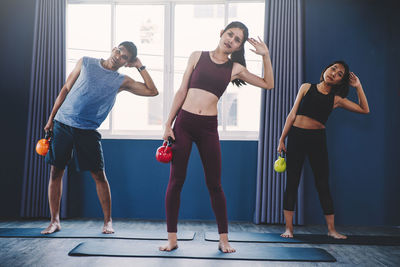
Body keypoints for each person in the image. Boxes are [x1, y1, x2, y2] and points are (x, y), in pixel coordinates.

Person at [159, 21, 274, 253]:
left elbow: (268, 84)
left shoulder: (235, 69)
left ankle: (224, 239)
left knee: (215, 184)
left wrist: (266, 56)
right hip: (184, 124)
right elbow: (182, 91)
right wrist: (167, 123)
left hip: (208, 127)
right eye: (230, 34)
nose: (231, 40)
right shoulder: (196, 56)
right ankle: (172, 239)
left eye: (237, 39)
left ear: (238, 46)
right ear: (221, 33)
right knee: (176, 181)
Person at [41, 41, 158, 234]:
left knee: (99, 175)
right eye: (119, 50)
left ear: (127, 63)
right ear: (114, 48)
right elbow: (65, 90)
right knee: (56, 172)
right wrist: (51, 119)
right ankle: (54, 221)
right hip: (62, 124)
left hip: (87, 130)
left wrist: (140, 66)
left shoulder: (121, 80)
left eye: (124, 57)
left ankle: (107, 222)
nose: (118, 56)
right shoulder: (85, 62)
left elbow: (152, 91)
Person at [277, 61, 369, 239]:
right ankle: (289, 229)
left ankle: (332, 230)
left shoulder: (336, 100)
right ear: (326, 69)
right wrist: (282, 139)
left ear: (340, 81)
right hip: (296, 137)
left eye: (339, 74)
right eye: (333, 68)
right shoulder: (306, 87)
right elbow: (292, 114)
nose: (334, 73)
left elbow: (365, 109)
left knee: (322, 183)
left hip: (317, 140)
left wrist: (358, 86)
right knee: (292, 182)